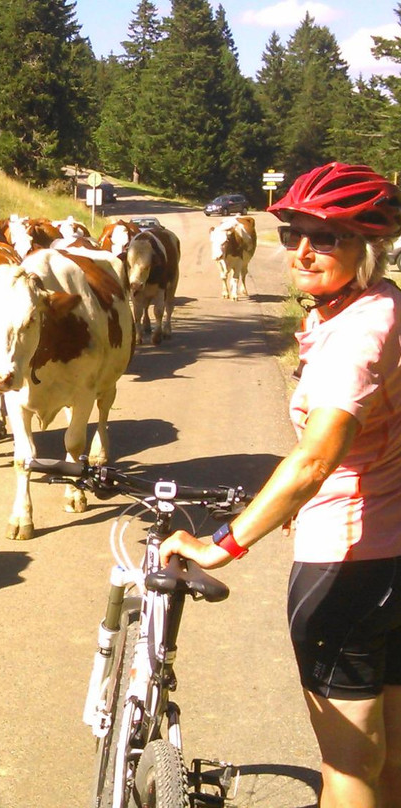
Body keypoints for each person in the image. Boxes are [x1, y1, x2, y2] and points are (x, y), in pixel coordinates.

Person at [159, 162, 401, 808]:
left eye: (329, 237)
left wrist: (221, 544)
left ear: (369, 247)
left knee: (347, 766)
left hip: (346, 569)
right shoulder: (381, 306)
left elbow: (315, 459)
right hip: (392, 556)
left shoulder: (354, 335)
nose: (302, 251)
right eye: (295, 231)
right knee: (391, 752)